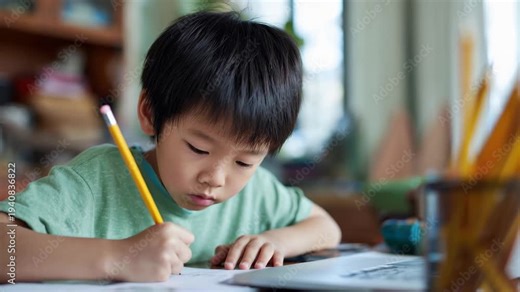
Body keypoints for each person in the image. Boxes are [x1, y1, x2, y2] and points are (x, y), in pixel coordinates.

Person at [0, 11, 341, 283]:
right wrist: (118, 257)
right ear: (150, 114)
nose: (216, 178)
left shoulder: (256, 194)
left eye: (246, 162)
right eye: (198, 149)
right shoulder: (96, 181)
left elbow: (326, 228)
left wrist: (278, 242)